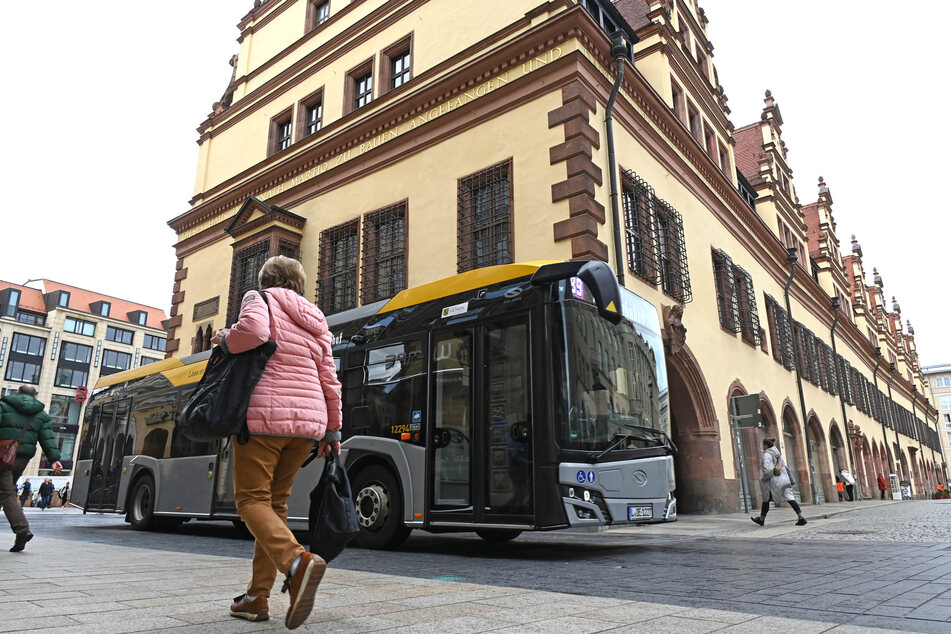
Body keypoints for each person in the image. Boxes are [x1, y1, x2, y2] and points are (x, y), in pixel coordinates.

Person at [213, 256, 342, 629]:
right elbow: (329, 377)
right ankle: (257, 597)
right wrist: (333, 430)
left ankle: (297, 562)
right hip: (308, 425)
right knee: (275, 505)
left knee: (251, 500)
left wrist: (224, 339)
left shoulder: (260, 298)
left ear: (267, 279)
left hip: (265, 419)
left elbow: (252, 332)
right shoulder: (316, 318)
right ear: (298, 283)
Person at [0, 385, 63, 551]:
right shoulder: (40, 414)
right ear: (35, 396)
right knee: (3, 491)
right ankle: (21, 532)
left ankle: (22, 530)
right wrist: (54, 460)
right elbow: (47, 438)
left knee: (6, 493)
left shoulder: (3, 406)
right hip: (22, 458)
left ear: (18, 393)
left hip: (2, 455)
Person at [751, 438, 807, 527]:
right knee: (790, 498)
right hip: (784, 479)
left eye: (763, 445)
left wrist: (763, 478)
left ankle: (761, 519)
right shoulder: (778, 454)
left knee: (766, 499)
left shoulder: (767, 455)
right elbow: (784, 467)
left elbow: (767, 470)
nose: (763, 446)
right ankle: (801, 517)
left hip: (773, 482)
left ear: (766, 445)